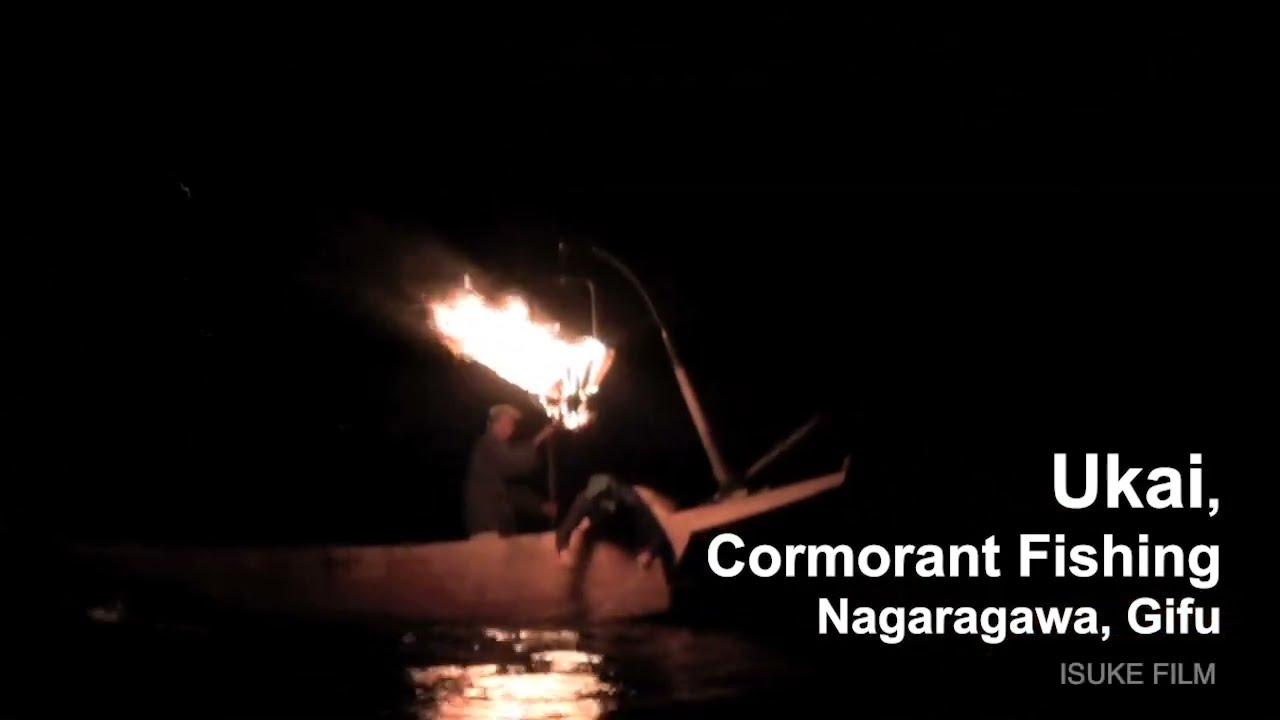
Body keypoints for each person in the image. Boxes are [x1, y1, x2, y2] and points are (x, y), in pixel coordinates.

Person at [464, 403, 557, 538]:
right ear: (494, 424)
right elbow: (510, 461)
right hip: (486, 526)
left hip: (499, 527)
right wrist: (539, 439)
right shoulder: (487, 444)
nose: (511, 429)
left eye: (513, 424)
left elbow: (511, 494)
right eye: (508, 422)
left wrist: (540, 507)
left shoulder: (497, 450)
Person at [554, 473, 677, 568]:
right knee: (586, 528)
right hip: (601, 520)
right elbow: (564, 529)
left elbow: (657, 533)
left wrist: (650, 552)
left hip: (625, 520)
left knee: (646, 543)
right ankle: (595, 521)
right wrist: (563, 550)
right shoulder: (584, 501)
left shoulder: (631, 501)